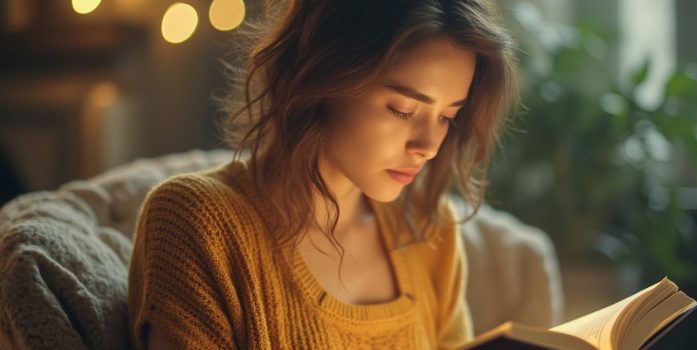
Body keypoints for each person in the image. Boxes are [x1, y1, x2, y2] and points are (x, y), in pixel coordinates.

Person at [128, 0, 517, 349]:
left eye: (448, 116)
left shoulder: (431, 228)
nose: (429, 145)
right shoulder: (196, 221)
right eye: (402, 109)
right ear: (323, 79)